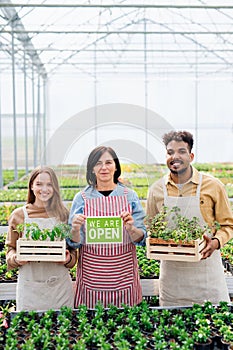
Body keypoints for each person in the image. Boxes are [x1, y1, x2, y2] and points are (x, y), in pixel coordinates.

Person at [146, 130, 233, 306]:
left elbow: (228, 225)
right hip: (172, 282)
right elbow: (151, 227)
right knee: (173, 330)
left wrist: (215, 242)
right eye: (170, 152)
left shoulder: (213, 186)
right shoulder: (156, 190)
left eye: (181, 151)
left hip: (208, 278)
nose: (175, 156)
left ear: (191, 156)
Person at [67, 146, 147, 308]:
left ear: (116, 167)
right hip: (91, 280)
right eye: (98, 163)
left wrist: (132, 229)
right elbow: (74, 243)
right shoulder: (81, 198)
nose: (104, 167)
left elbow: (142, 238)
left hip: (125, 279)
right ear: (92, 169)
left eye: (108, 162)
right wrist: (75, 229)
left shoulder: (129, 196)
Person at [6, 166, 77, 311]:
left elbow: (74, 254)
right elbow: (10, 251)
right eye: (39, 184)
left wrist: (68, 259)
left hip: (59, 288)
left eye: (49, 184)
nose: (44, 189)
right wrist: (16, 259)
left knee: (62, 331)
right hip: (29, 289)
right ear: (31, 186)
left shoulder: (64, 215)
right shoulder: (18, 215)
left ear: (55, 188)